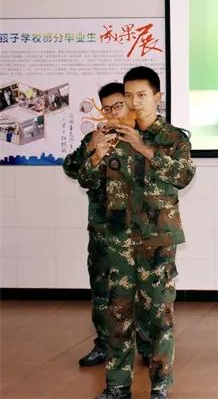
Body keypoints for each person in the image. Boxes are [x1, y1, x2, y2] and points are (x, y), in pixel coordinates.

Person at [79, 66, 195, 399]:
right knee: (118, 315)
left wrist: (144, 147)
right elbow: (87, 180)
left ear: (157, 97)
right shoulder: (113, 134)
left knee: (158, 317)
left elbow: (183, 176)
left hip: (157, 240)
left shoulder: (174, 138)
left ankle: (159, 386)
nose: (134, 102)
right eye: (129, 96)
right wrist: (96, 155)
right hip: (118, 240)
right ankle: (117, 387)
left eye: (141, 95)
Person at [62, 82, 150, 368]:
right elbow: (71, 168)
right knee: (102, 291)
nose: (113, 113)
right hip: (102, 230)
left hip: (139, 231)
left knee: (143, 292)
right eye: (107, 108)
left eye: (118, 106)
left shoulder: (144, 137)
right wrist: (91, 149)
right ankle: (103, 344)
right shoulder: (96, 137)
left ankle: (147, 346)